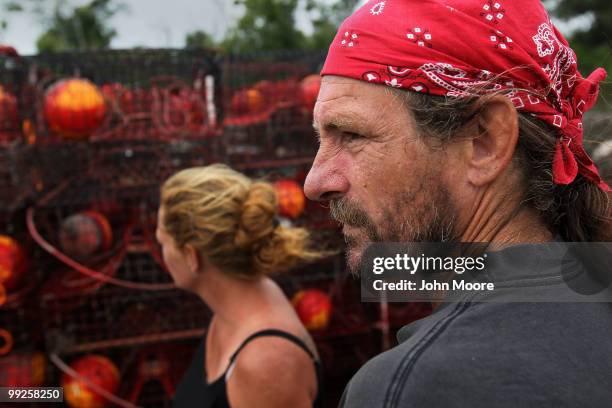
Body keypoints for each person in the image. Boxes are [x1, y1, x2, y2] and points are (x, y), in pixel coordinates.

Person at [303, 0, 612, 406]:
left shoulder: (420, 385)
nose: (315, 182)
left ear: (485, 141)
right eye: (322, 139)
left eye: (352, 135)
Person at [156, 164, 323, 408]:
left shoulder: (266, 364)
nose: (162, 253)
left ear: (192, 256)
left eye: (163, 242)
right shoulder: (238, 304)